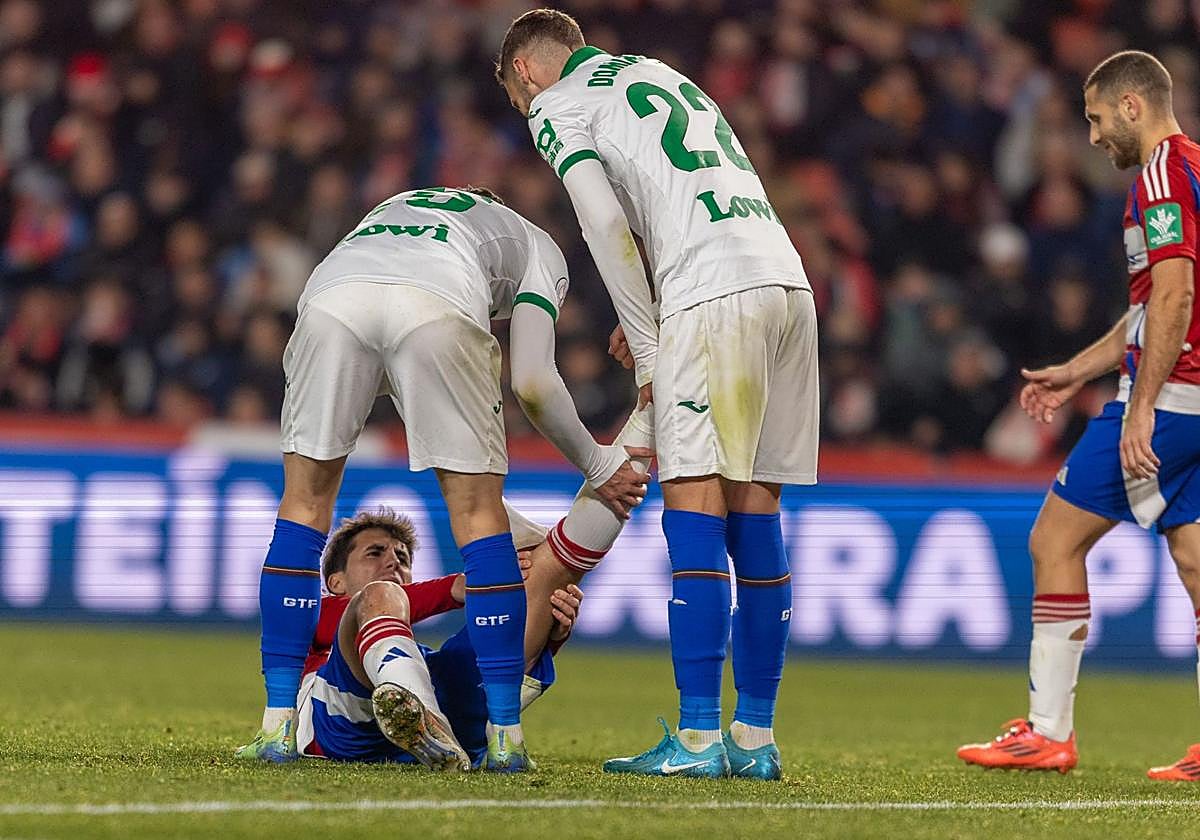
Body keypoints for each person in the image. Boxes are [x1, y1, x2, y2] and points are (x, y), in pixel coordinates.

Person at [496, 9, 819, 780]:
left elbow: (604, 220)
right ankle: (754, 737)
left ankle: (700, 738)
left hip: (712, 297)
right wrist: (651, 307)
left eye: (515, 97)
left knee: (696, 502)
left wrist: (650, 345)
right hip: (783, 281)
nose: (524, 112)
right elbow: (677, 197)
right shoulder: (656, 73)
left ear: (527, 73)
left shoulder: (556, 103)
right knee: (756, 511)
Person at [238, 185, 648, 772]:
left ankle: (276, 728)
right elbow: (532, 382)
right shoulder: (532, 244)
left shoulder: (390, 215)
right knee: (470, 521)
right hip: (438, 306)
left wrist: (530, 543)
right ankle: (501, 736)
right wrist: (596, 462)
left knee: (303, 503)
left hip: (330, 300)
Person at [956, 50, 1200, 782]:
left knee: (1054, 538)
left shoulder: (1160, 174)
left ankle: (1047, 732)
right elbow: (1147, 309)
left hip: (1176, 396)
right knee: (1193, 561)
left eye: (1096, 118)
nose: (1093, 137)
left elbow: (1174, 297)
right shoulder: (1193, 166)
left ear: (1132, 105)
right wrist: (1076, 370)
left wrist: (1143, 405)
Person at [290, 509, 583, 769]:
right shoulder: (318, 614)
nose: (393, 562)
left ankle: (428, 730)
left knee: (537, 581)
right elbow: (368, 603)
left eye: (402, 558)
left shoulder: (423, 664)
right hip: (337, 731)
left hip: (432, 722)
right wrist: (456, 586)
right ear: (335, 582)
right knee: (377, 595)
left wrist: (551, 629)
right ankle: (430, 722)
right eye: (375, 552)